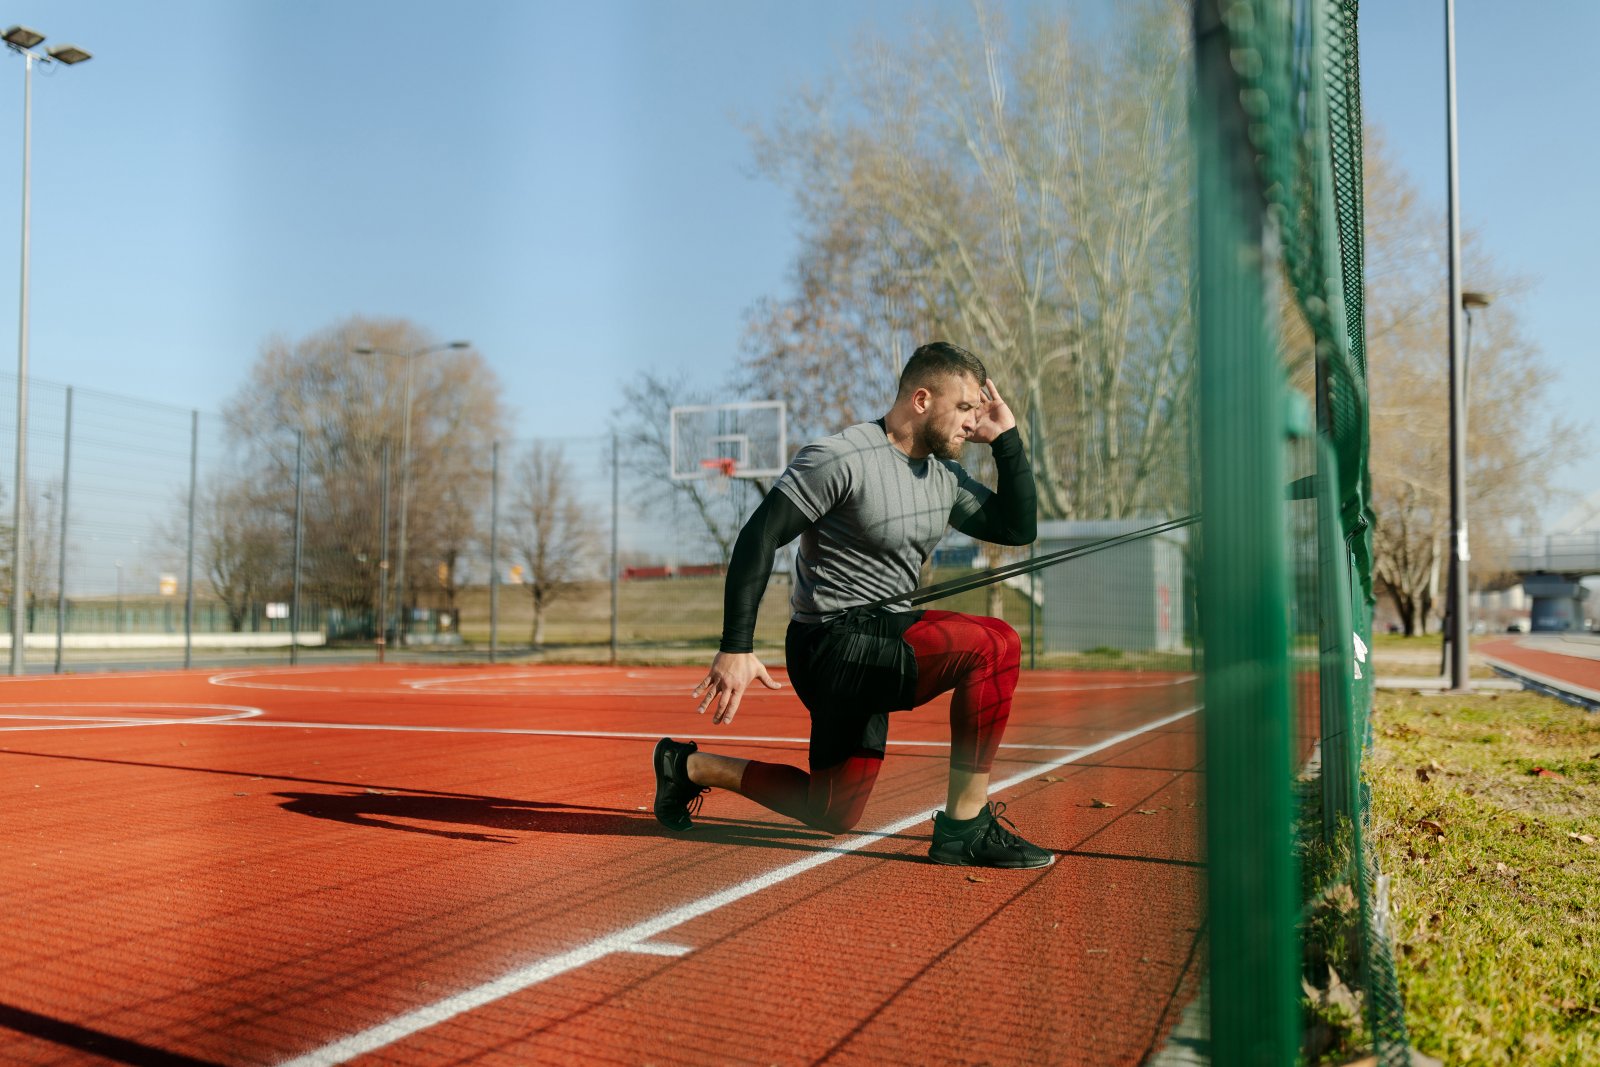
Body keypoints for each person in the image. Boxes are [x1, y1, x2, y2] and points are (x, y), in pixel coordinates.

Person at [652, 341, 1051, 868]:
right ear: (923, 400)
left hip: (884, 638)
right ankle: (964, 826)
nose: (973, 421)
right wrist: (736, 646)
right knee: (996, 644)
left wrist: (1007, 441)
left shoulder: (944, 477)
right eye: (966, 407)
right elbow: (759, 536)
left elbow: (1016, 528)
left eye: (979, 410)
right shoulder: (842, 457)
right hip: (830, 645)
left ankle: (686, 767)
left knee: (833, 812)